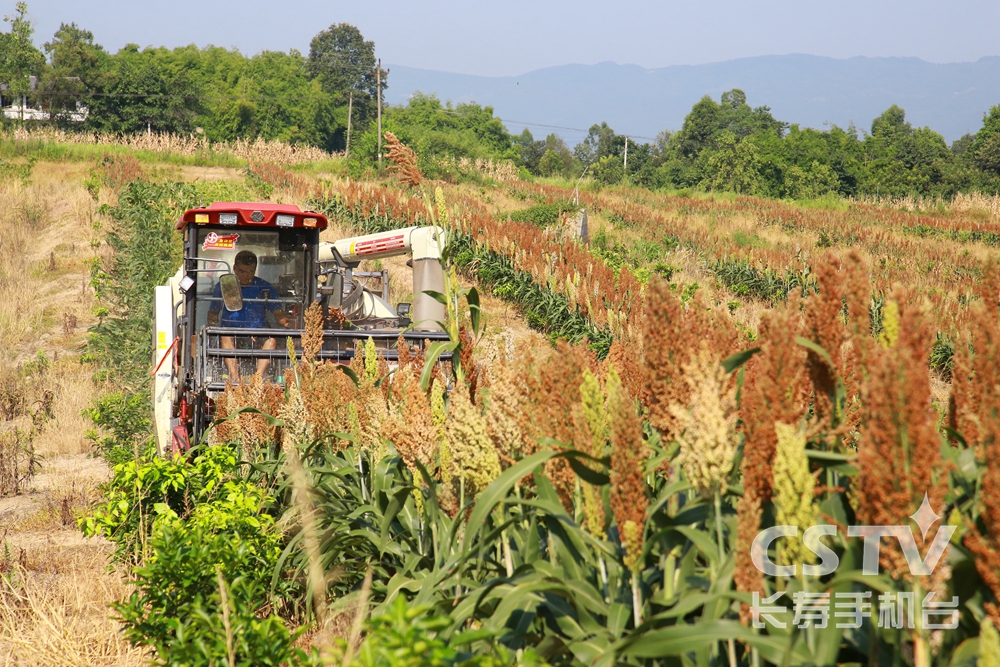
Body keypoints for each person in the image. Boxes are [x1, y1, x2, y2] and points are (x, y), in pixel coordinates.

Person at [207, 250, 291, 380]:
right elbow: (213, 312)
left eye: (250, 272)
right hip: (231, 331)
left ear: (255, 270)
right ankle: (235, 379)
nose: (246, 276)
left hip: (258, 333)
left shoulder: (264, 287)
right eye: (242, 271)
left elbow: (278, 313)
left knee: (271, 340)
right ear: (234, 268)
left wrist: (288, 323)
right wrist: (211, 326)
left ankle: (257, 379)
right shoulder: (224, 286)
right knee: (225, 336)